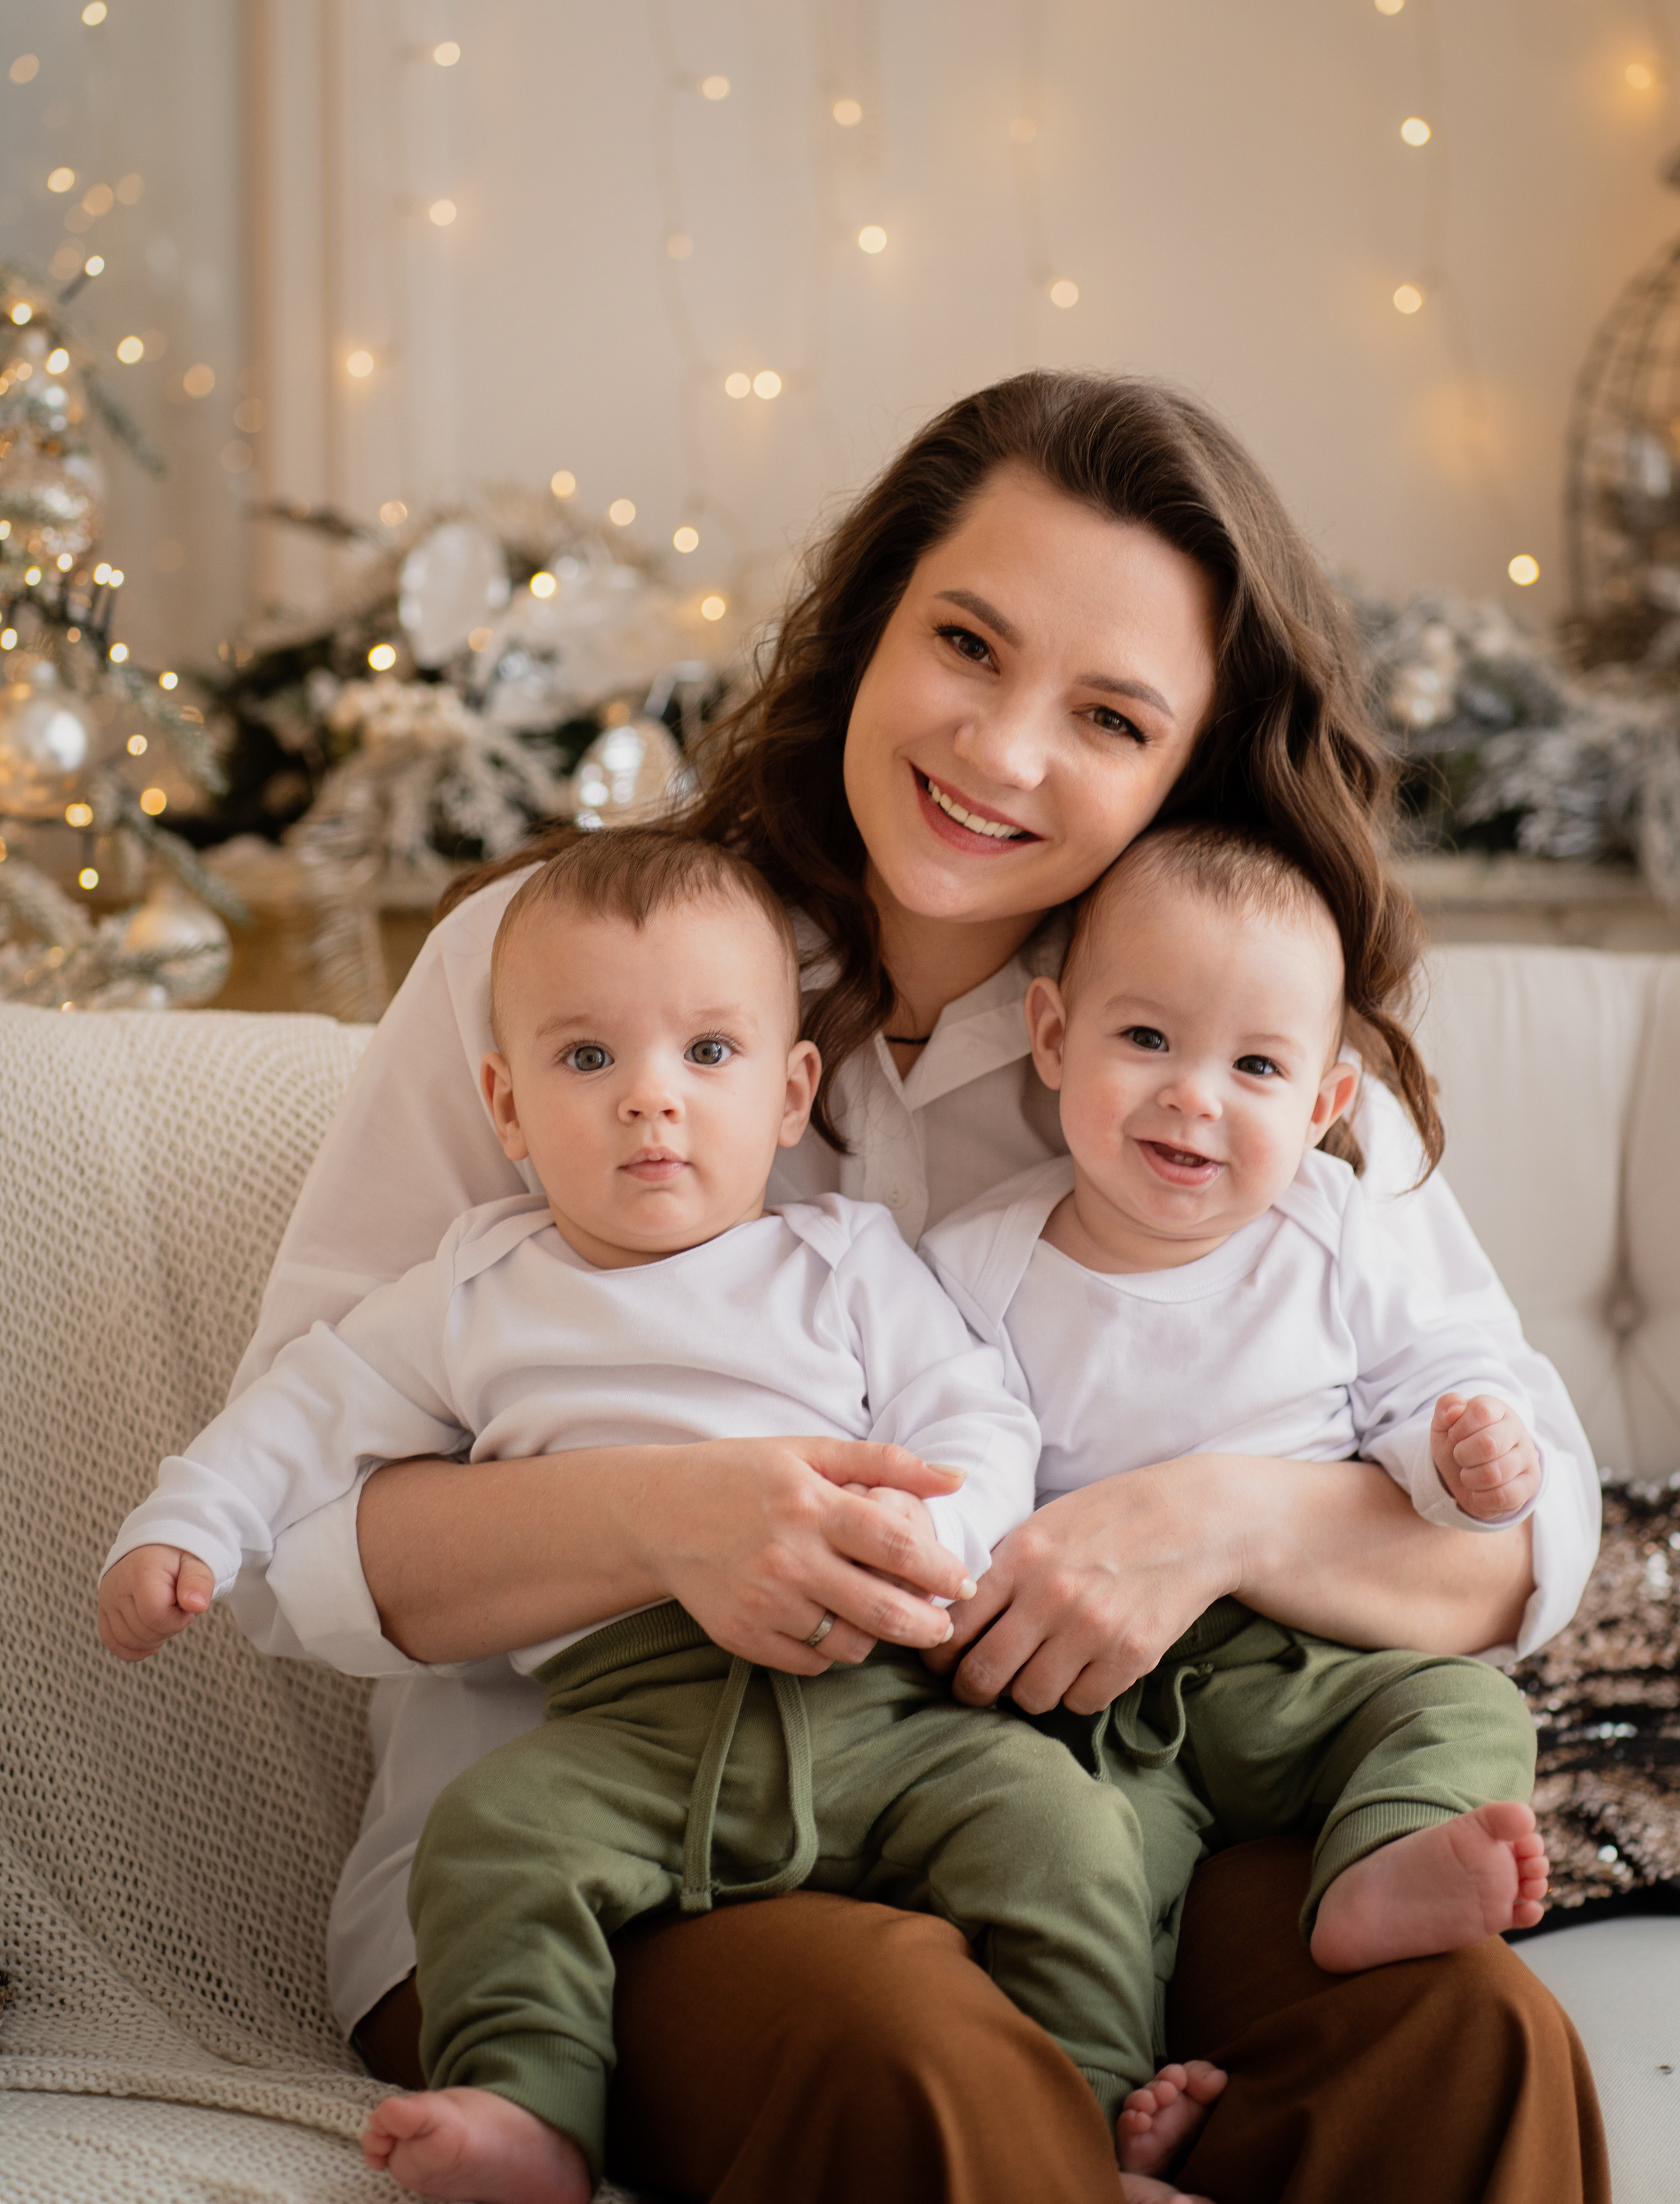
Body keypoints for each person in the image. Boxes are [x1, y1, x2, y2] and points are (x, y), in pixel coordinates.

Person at [193, 373, 1606, 2203]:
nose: (1005, 751)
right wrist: (658, 1516)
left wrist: (1208, 1519)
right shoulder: (564, 971)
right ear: (868, 627)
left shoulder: (1249, 1049)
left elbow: (1529, 1532)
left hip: (1102, 1843)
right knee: (913, 2039)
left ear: (1192, 762)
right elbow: (287, 1530)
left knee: (1473, 2031)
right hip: (604, 1849)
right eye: (966, 642)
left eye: (1107, 713)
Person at [100, 828, 1221, 2202]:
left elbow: (973, 1413)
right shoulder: (475, 1291)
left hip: (878, 1705)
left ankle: (1095, 2112)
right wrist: (185, 1530)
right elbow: (297, 1418)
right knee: (493, 1838)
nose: (651, 1102)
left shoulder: (845, 1263)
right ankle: (529, 2111)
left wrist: (947, 1535)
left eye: (707, 1056)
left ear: (792, 1090)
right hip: (628, 1725)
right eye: (589, 1061)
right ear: (504, 1109)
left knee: (1060, 1824)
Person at [923, 820, 1556, 2171]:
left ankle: (1378, 1868)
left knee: (1460, 1706)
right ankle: (1098, 2115)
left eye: (1254, 1066)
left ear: (1323, 1106)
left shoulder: (1334, 1232)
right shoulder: (974, 1264)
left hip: (1308, 1659)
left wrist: (1468, 1454)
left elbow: (1435, 1374)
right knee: (1077, 1871)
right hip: (1097, 1700)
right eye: (1143, 1041)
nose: (1192, 1097)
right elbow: (944, 1443)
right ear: (1051, 1039)